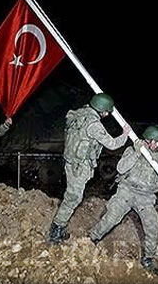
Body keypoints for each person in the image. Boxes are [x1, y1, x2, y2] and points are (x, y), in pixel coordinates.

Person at [47, 93, 130, 244]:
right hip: (79, 166)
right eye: (107, 112)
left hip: (70, 162)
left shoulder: (78, 114)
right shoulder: (94, 124)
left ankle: (61, 226)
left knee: (72, 196)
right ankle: (56, 231)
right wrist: (125, 134)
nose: (107, 115)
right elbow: (112, 144)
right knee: (73, 198)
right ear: (102, 110)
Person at [90, 126, 158, 272]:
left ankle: (148, 259)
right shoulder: (133, 150)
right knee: (111, 217)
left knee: (152, 225)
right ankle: (92, 239)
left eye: (157, 142)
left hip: (146, 197)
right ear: (145, 139)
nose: (154, 145)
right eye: (151, 141)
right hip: (126, 192)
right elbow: (121, 168)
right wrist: (137, 153)